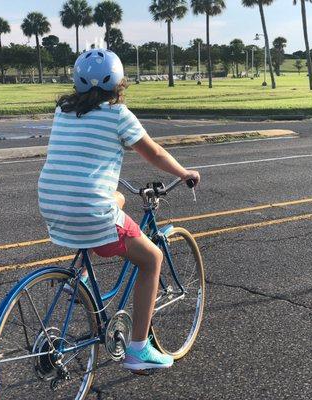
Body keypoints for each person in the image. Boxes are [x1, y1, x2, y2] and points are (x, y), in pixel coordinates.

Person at [38, 48, 200, 372]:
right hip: (89, 208)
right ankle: (138, 350)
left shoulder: (62, 110)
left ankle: (80, 276)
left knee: (116, 198)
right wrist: (183, 173)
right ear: (118, 83)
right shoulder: (117, 113)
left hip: (52, 201)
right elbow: (152, 152)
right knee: (152, 258)